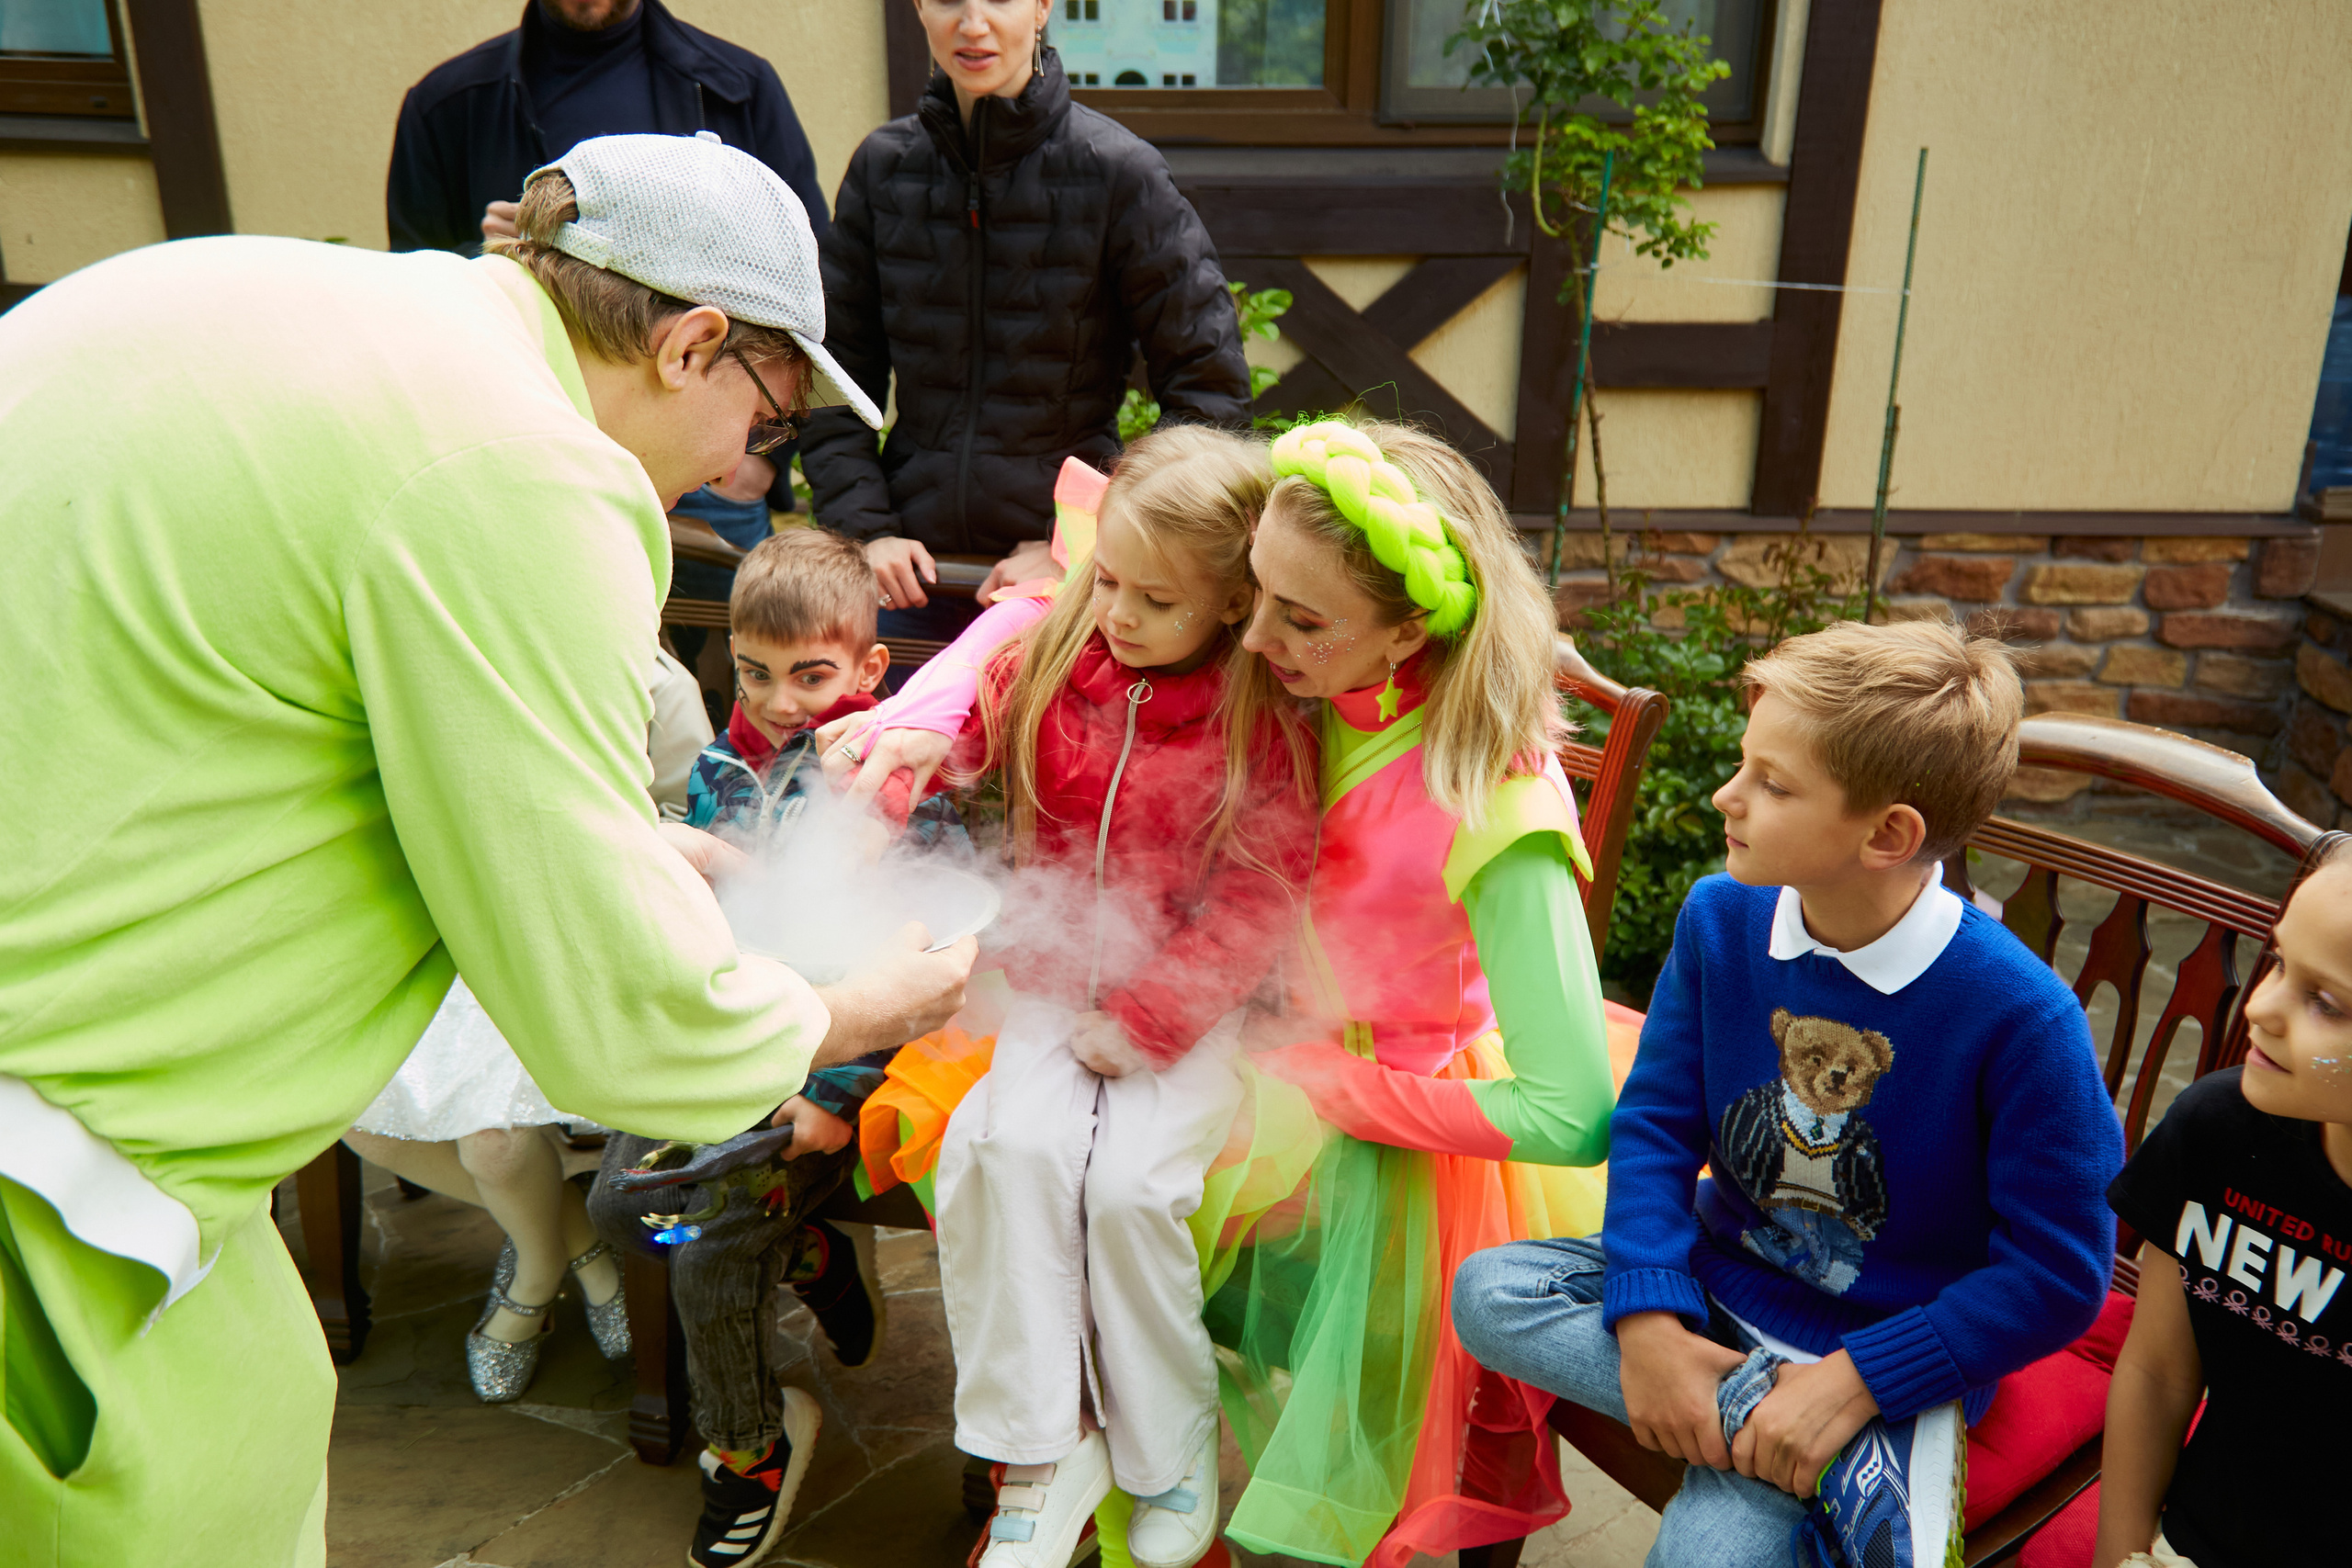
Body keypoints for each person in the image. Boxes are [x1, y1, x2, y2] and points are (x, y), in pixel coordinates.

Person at [0, 131, 972, 1567]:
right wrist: (856, 1006)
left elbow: (252, 702)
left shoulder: (268, 294)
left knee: (265, 1386)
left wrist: (628, 847)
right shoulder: (524, 466)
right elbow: (622, 1022)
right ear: (695, 341)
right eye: (767, 425)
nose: (737, 470)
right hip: (55, 1172)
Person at [837, 418, 1622, 1568]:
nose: (1250, 639)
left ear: (1408, 630)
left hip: (1363, 1105)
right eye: (1250, 594)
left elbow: (1569, 1111)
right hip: (1189, 1013)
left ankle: (1150, 1459)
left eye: (1295, 618)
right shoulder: (1270, 666)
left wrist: (1313, 1076)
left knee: (1112, 1196)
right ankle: (1049, 1463)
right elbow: (1041, 616)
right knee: (1009, 1159)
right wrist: (917, 721)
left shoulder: (1495, 806)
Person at [1453, 618, 2127, 1568]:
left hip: (1883, 1352)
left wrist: (1850, 1384)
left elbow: (2058, 1275)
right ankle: (1800, 1448)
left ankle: (1817, 1432)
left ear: (1888, 834)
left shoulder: (2022, 1018)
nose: (1728, 794)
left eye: (1772, 783)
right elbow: (1654, 1124)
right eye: (1745, 764)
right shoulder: (1719, 918)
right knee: (1487, 1291)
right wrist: (1648, 1321)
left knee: (1701, 1558)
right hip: (1714, 1291)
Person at [588, 527, 965, 1568]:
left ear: (869, 667)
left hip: (834, 1080)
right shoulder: (721, 763)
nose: (780, 700)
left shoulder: (890, 779)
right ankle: (809, 1253)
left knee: (705, 1242)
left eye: (811, 675)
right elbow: (705, 921)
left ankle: (750, 1449)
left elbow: (915, 954)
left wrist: (837, 1096)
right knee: (623, 1205)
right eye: (755, 673)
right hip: (728, 1049)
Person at [801, 0, 1251, 647]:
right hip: (903, 576)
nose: (973, 23)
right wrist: (866, 531)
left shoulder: (1121, 174)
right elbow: (830, 377)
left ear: (1042, 6)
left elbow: (1211, 401)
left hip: (1071, 587)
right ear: (920, 9)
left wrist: (1084, 539)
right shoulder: (883, 168)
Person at [342, 646, 712, 1404]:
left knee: (494, 1142)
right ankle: (568, 1243)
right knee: (354, 1104)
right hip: (465, 928)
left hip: (596, 944)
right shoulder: (447, 659)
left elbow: (690, 821)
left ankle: (532, 1285)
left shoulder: (652, 680)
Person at [388, 0, 827, 534]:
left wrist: (755, 457)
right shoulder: (449, 103)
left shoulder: (737, 85)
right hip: (521, 465)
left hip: (706, 486)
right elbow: (411, 302)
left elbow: (805, 291)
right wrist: (494, 260)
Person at [2092, 830, 2352, 1568]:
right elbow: (2158, 1371)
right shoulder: (2216, 1131)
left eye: (2325, 1002)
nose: (2261, 1006)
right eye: (2276, 961)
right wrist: (2119, 1554)